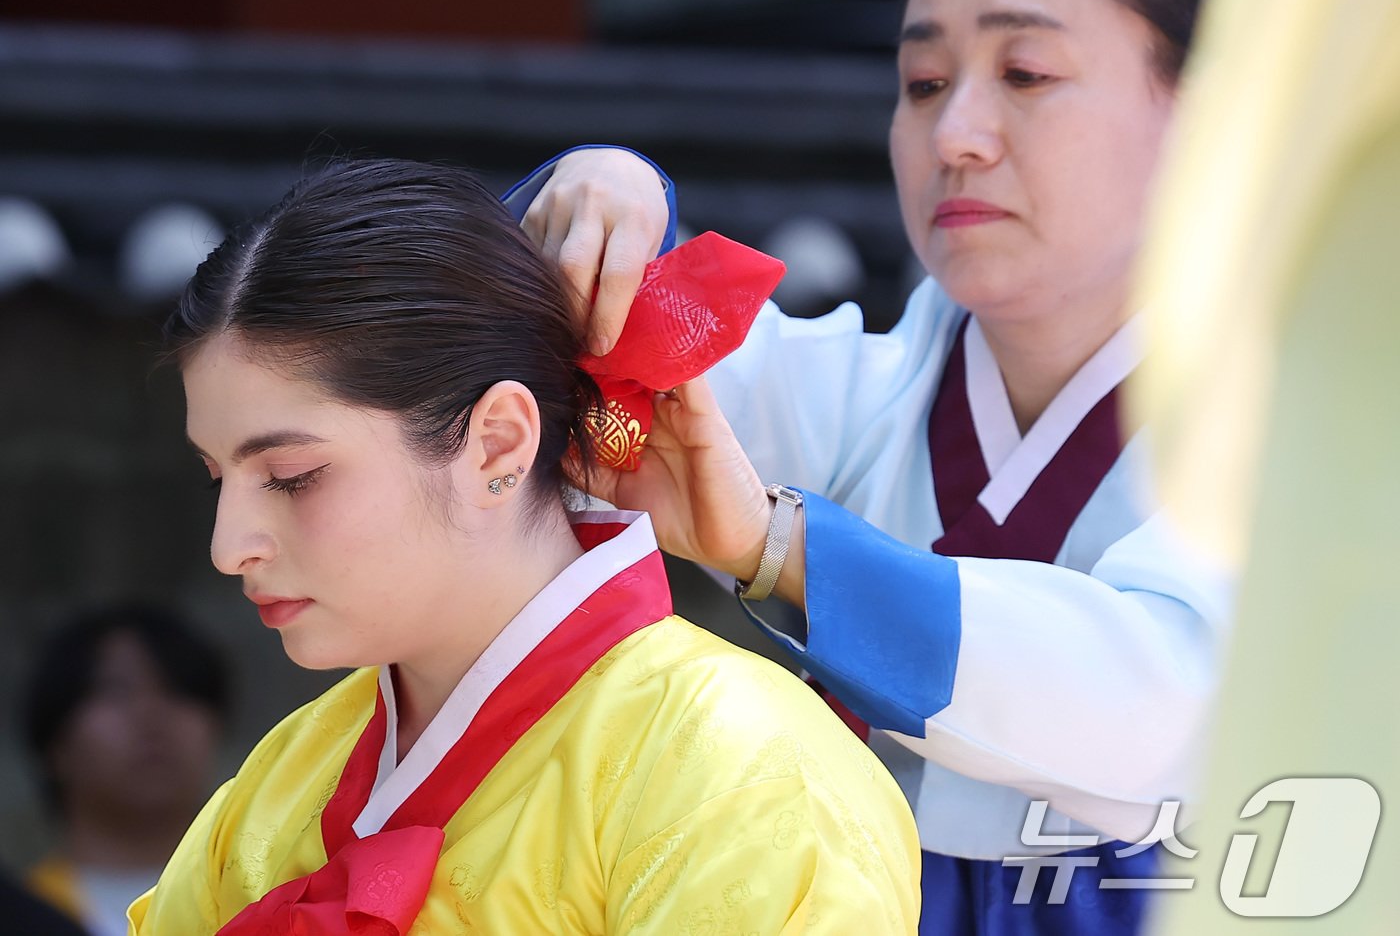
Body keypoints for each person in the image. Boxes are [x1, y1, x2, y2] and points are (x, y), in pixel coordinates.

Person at [506, 0, 1232, 931]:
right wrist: (610, 202)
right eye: (924, 82)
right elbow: (633, 359)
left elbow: (1166, 704)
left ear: (1210, 110)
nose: (956, 134)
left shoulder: (1295, 429)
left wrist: (786, 550)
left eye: (1024, 71)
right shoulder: (856, 395)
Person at [129, 159, 921, 934]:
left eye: (293, 476)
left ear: (498, 445)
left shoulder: (750, 774)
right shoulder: (276, 790)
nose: (229, 547)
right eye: (215, 479)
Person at [23, 604, 227, 936]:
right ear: (55, 745)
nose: (152, 717)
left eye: (179, 690)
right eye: (116, 691)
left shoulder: (272, 900)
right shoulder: (19, 916)